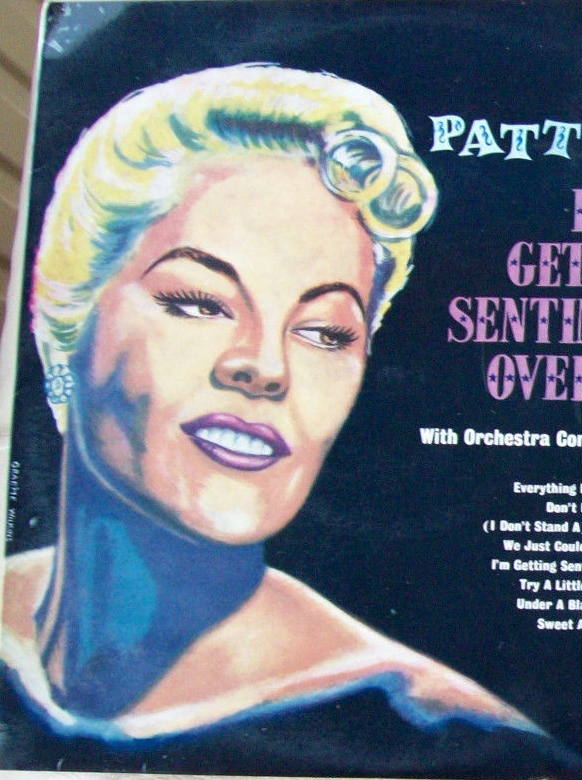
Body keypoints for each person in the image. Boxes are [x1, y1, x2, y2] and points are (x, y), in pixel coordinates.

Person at [0, 64, 531, 744]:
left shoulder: (440, 732)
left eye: (325, 333)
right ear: (66, 325)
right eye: (200, 302)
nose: (266, 367)